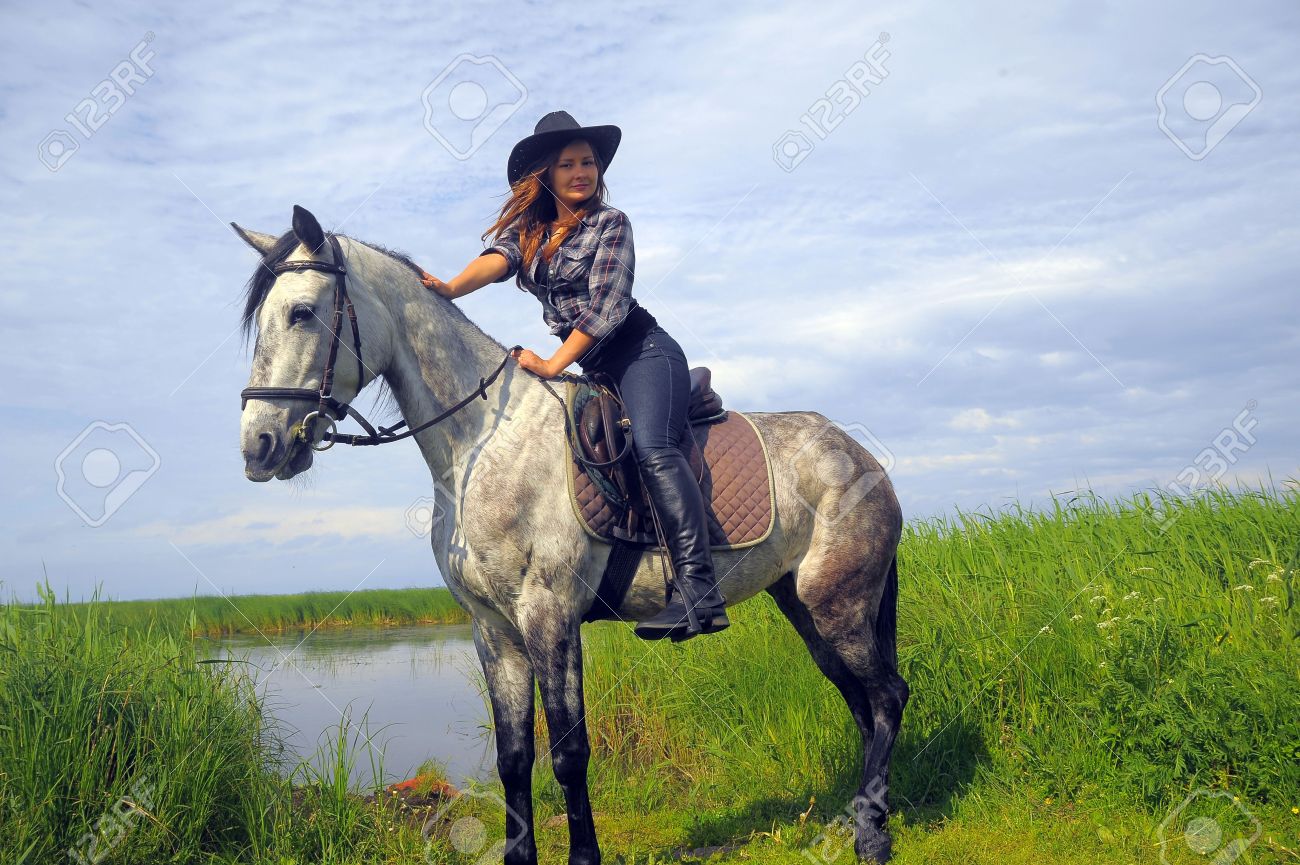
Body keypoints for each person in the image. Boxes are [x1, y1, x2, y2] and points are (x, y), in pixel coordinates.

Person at [418, 110, 728, 642]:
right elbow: (496, 260)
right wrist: (449, 288)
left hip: (642, 353)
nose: (580, 171)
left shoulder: (612, 224)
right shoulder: (532, 232)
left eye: (588, 162)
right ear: (546, 174)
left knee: (654, 447)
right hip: (596, 368)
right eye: (568, 164)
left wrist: (551, 363)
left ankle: (699, 592)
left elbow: (608, 308)